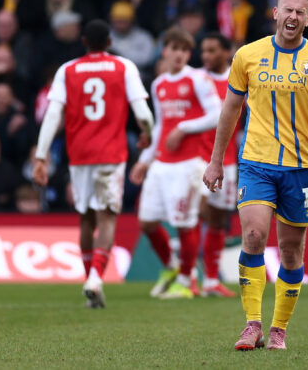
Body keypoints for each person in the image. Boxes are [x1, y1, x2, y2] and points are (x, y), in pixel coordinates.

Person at [203, 0, 308, 351]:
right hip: (256, 162)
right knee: (252, 236)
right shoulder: (247, 56)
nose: (293, 17)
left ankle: (278, 328)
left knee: (291, 251)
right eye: (288, 10)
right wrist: (216, 160)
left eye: (300, 12)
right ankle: (252, 325)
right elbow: (230, 110)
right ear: (275, 13)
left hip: (301, 168)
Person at [33, 19, 153, 309]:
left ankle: (90, 279)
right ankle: (96, 278)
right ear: (109, 42)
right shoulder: (124, 67)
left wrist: (40, 156)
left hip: (80, 155)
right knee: (107, 217)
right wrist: (147, 134)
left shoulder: (67, 70)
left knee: (86, 217)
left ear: (84, 42)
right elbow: (143, 112)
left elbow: (52, 115)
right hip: (111, 154)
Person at [130, 27, 220, 301]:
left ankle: (185, 281)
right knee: (146, 222)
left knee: (185, 223)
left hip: (188, 164)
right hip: (161, 164)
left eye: (185, 50)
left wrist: (184, 127)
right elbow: (159, 127)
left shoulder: (197, 79)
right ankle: (170, 266)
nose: (180, 55)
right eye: (175, 49)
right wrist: (145, 160)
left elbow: (218, 114)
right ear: (164, 50)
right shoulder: (158, 84)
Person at [197, 33, 239, 298]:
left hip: (228, 160)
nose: (206, 56)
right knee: (194, 213)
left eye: (212, 50)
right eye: (203, 51)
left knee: (217, 219)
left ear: (226, 52)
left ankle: (211, 280)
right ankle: (187, 274)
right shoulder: (196, 80)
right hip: (196, 158)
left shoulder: (239, 79)